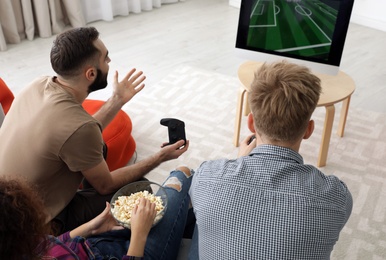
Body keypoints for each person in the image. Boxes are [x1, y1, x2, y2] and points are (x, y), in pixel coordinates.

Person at [0, 26, 189, 234]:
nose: (109, 62)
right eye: (106, 59)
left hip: (8, 208)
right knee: (140, 189)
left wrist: (117, 99)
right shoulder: (79, 127)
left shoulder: (38, 85)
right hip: (32, 228)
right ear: (91, 74)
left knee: (100, 147)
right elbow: (105, 185)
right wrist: (160, 157)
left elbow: (79, 133)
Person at [188, 61, 353, 259]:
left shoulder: (207, 176)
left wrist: (239, 162)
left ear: (250, 123)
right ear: (309, 130)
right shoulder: (337, 196)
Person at [0, 166, 193, 260]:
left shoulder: (19, 249)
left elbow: (50, 244)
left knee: (155, 208)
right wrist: (139, 236)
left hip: (92, 244)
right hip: (132, 253)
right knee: (181, 175)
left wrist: (92, 227)